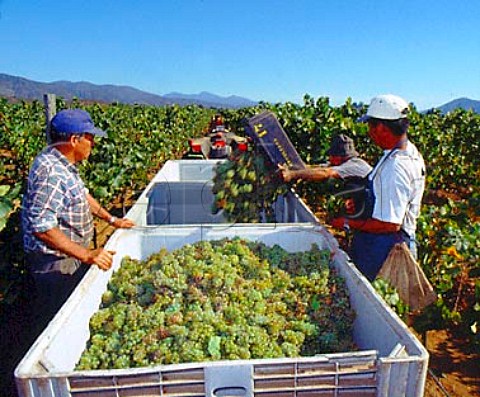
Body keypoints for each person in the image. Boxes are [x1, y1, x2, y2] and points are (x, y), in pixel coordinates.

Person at [21, 108, 135, 327]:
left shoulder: (62, 164)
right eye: (90, 139)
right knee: (60, 320)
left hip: (69, 255)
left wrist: (111, 220)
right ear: (75, 140)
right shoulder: (51, 173)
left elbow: (82, 194)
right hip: (56, 263)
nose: (93, 144)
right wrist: (86, 254)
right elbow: (42, 227)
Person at [330, 94, 426, 281]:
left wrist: (347, 223)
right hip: (390, 242)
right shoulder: (407, 152)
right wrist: (361, 205)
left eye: (370, 125)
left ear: (381, 127)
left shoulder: (395, 166)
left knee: (373, 303)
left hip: (384, 249)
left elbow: (389, 224)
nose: (369, 132)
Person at [278, 133, 372, 183]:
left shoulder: (354, 165)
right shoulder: (340, 163)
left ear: (340, 157)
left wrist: (292, 175)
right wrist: (291, 167)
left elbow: (325, 172)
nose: (329, 158)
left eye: (331, 156)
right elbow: (316, 168)